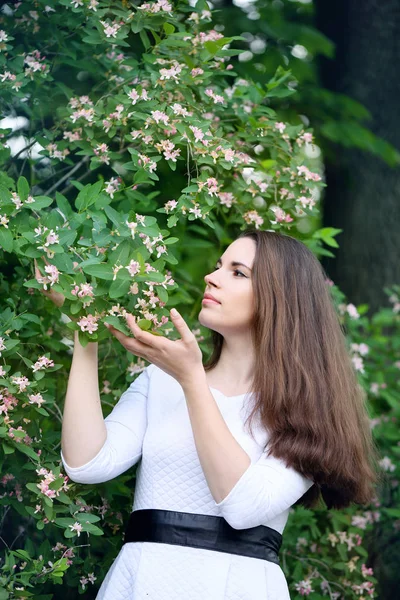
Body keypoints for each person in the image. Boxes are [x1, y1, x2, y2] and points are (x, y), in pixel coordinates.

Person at [37, 230, 378, 599]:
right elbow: (87, 463)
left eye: (238, 272)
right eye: (218, 266)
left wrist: (192, 381)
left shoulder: (307, 412)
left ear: (281, 299)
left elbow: (243, 507)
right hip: (142, 580)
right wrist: (84, 331)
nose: (211, 277)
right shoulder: (161, 381)